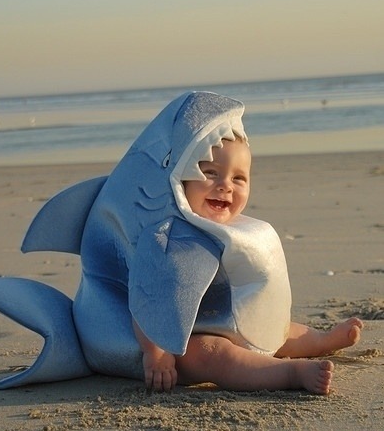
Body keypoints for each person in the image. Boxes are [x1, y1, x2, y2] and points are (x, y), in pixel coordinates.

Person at [134, 134, 363, 396]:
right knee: (215, 355)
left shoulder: (241, 230)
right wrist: (156, 351)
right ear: (181, 177)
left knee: (279, 329)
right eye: (210, 173)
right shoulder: (167, 238)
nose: (225, 186)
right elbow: (146, 300)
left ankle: (321, 340)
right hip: (186, 338)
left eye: (238, 178)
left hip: (232, 321)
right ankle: (289, 373)